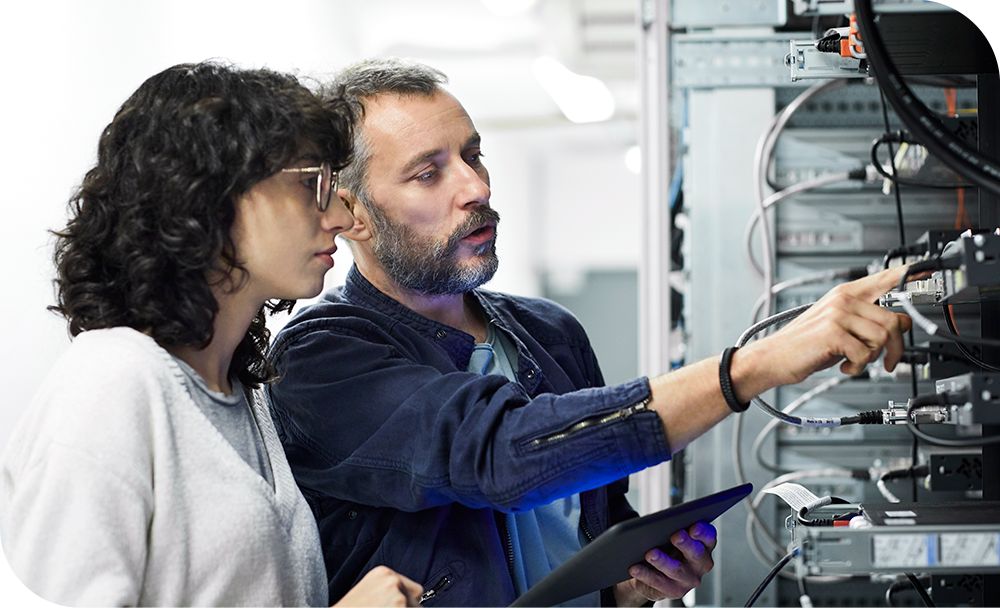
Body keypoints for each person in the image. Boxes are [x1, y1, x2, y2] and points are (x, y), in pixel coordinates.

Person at [266, 58, 912, 607]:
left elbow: (585, 529)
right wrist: (752, 366)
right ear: (349, 212)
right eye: (429, 173)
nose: (477, 187)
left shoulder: (548, 332)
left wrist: (626, 585)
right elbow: (505, 454)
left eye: (473, 155)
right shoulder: (320, 358)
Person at [0, 61, 422, 607]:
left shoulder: (242, 392)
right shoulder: (110, 385)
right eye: (312, 185)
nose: (341, 217)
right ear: (208, 199)